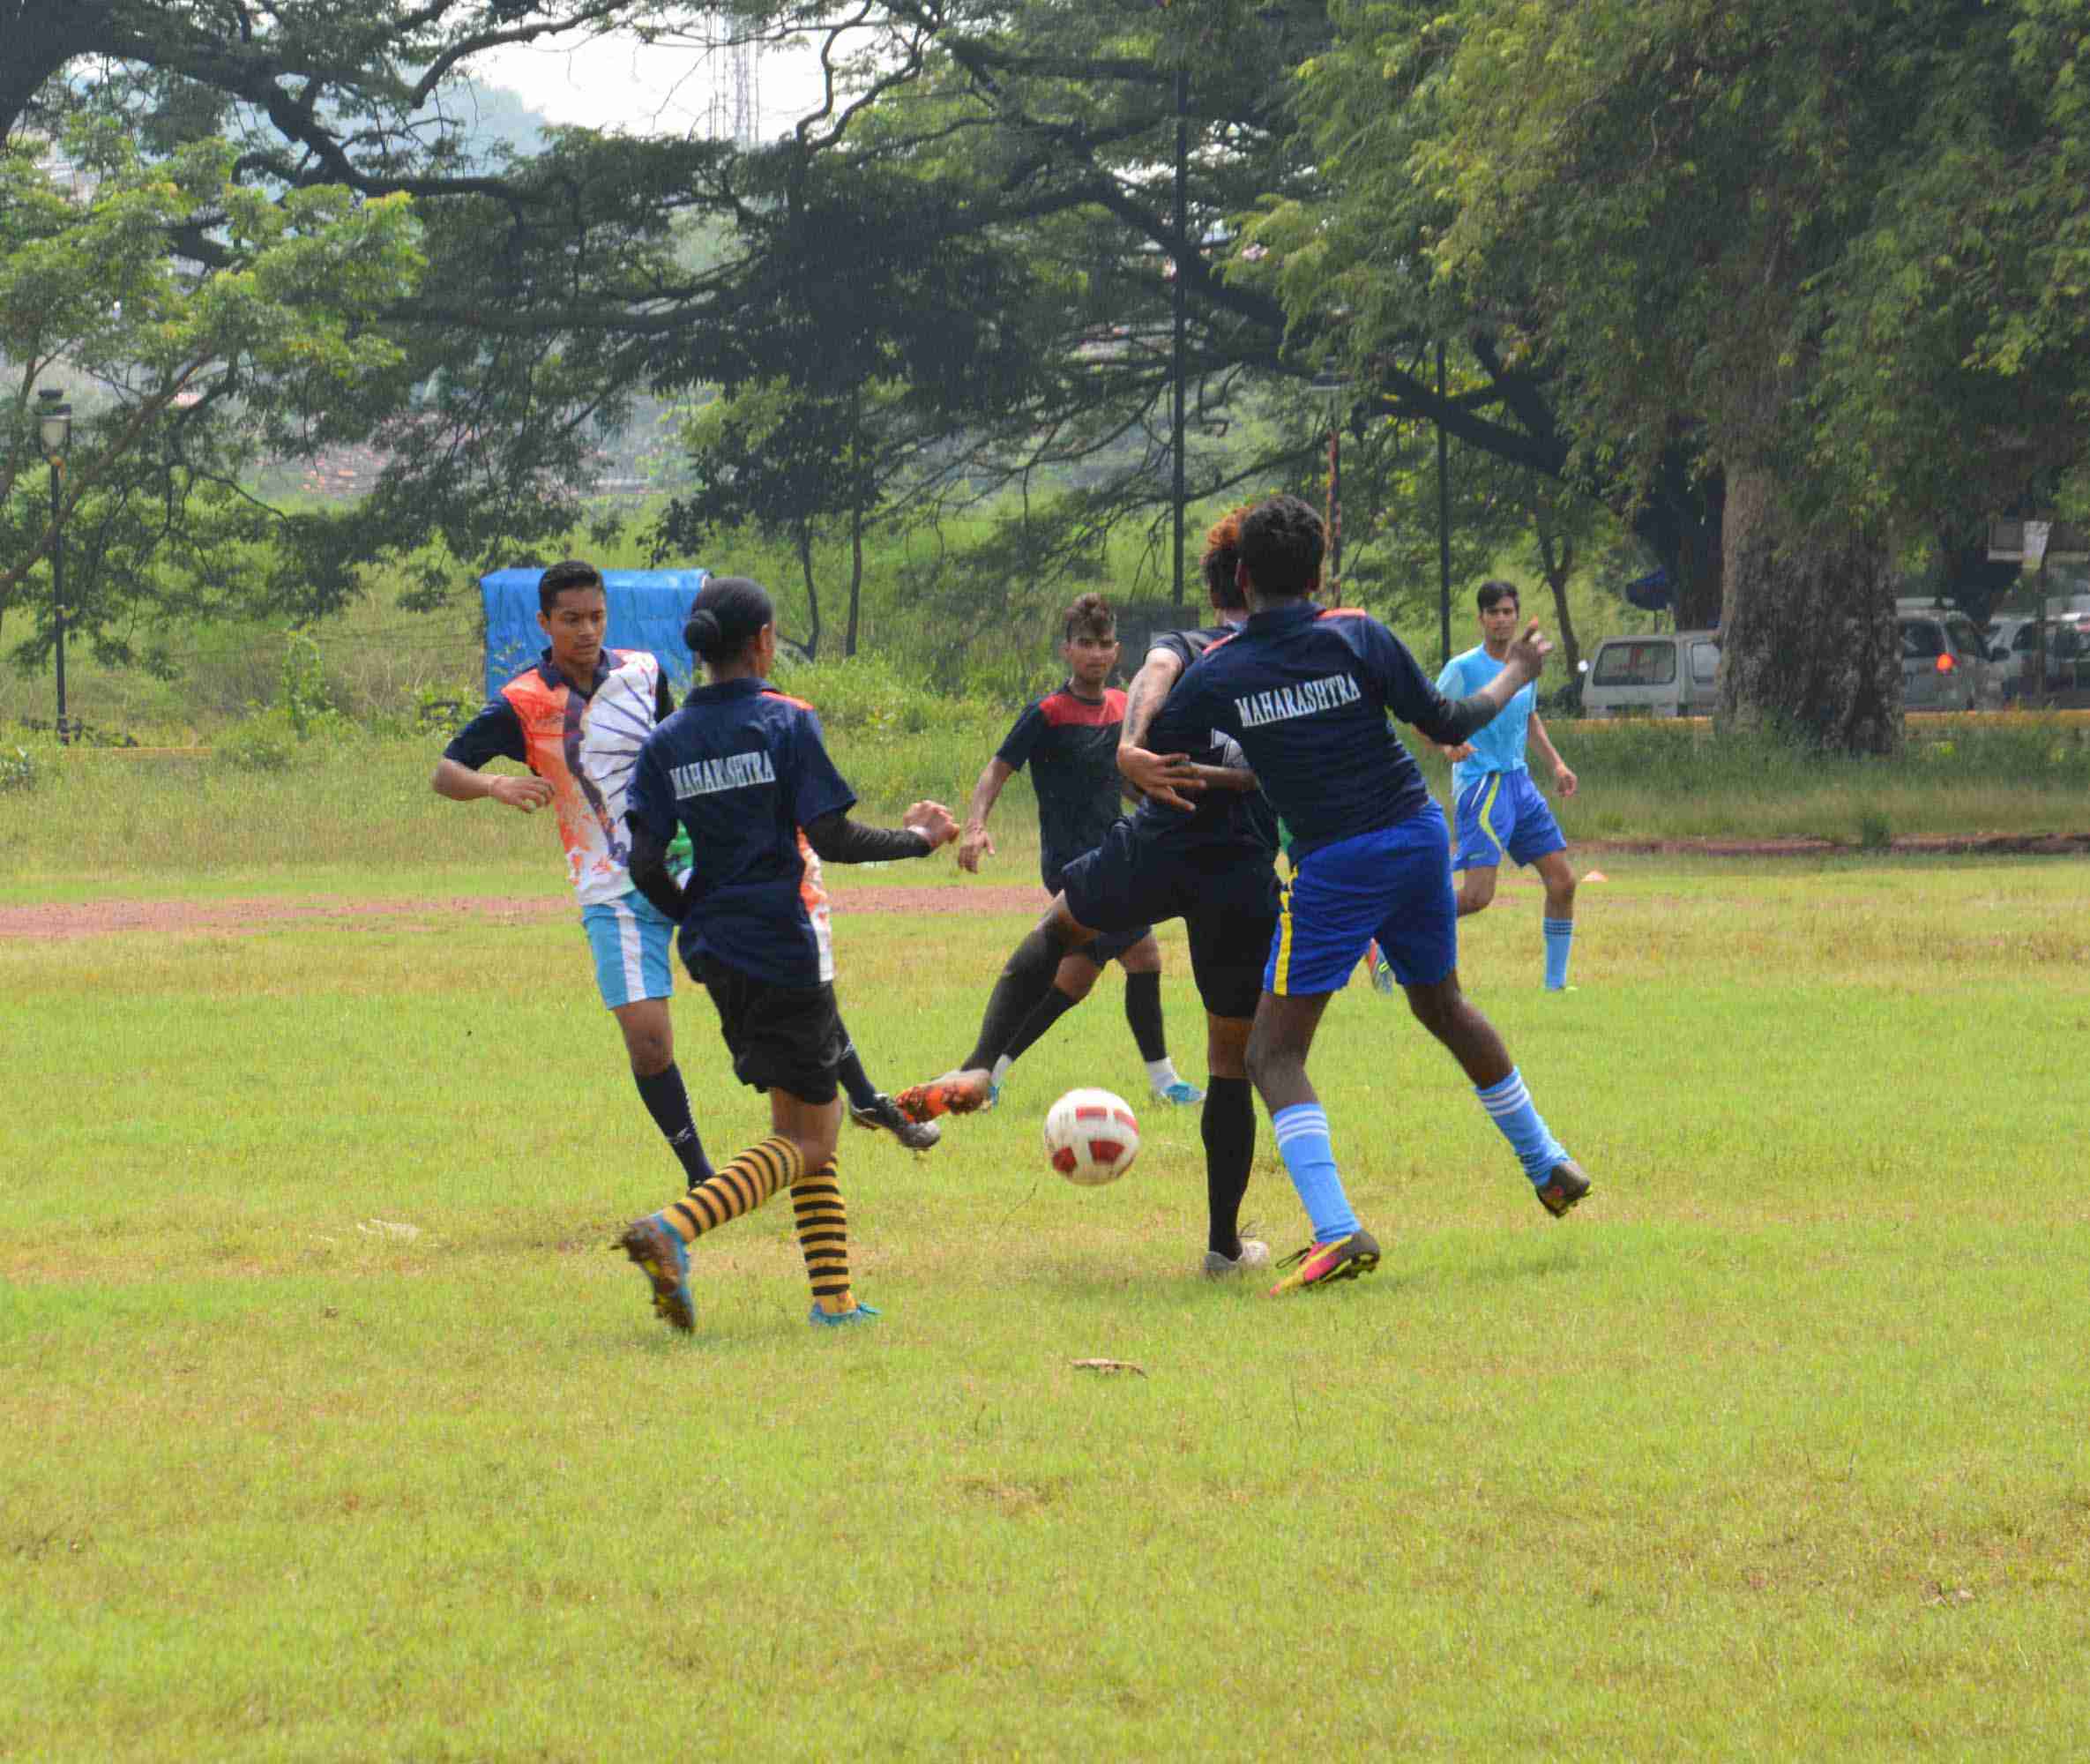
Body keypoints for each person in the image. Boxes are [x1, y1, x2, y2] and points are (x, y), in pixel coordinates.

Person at [1142, 496, 1593, 1295]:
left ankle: (1337, 1229)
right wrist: (1518, 672)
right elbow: (1449, 718)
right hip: (1418, 836)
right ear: (1318, 574)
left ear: (1240, 577)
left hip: (1335, 864)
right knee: (1444, 1006)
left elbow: (1161, 751)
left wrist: (1139, 751)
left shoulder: (1223, 671)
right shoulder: (1360, 634)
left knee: (1270, 1054)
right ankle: (1548, 1159)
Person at [434, 560, 937, 1192]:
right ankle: (701, 1175)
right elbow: (444, 771)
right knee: (649, 1044)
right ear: (544, 623)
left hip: (693, 862)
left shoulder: (645, 673)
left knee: (789, 977)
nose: (586, 631)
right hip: (610, 886)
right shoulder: (521, 700)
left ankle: (864, 1097)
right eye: (571, 620)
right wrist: (495, 783)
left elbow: (684, 739)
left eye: (595, 617)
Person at [895, 512, 1281, 1277]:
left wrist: (1139, 751)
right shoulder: (1296, 660)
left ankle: (981, 1065)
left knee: (1062, 940)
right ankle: (1222, 1248)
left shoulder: (1186, 644)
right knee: (1231, 1064)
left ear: (1221, 585)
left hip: (1157, 839)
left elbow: (1156, 676)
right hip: (1238, 863)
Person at [616, 575, 958, 1333]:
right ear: (764, 641)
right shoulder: (786, 723)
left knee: (801, 1116)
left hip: (717, 950)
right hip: (781, 943)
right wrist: (922, 841)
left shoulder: (665, 742)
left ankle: (833, 1300)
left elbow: (643, 864)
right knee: (809, 1137)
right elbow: (833, 836)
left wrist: (693, 914)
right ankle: (673, 1227)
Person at [956, 592, 1202, 1108]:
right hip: (1071, 861)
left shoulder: (1123, 709)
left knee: (1076, 978)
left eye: (1106, 644)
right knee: (1144, 954)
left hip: (1116, 851)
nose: (1096, 653)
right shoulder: (1047, 712)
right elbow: (996, 770)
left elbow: (1129, 780)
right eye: (1086, 644)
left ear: (1117, 652)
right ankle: (1164, 1083)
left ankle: (990, 1073)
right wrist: (975, 824)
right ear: (1067, 650)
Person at [1410, 579, 1580, 991]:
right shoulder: (1463, 668)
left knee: (1563, 883)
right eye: (1494, 613)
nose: (1502, 620)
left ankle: (1555, 986)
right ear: (1481, 618)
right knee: (1476, 897)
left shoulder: (1526, 662)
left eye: (1508, 612)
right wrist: (1448, 746)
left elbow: (1529, 718)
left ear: (1516, 616)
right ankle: (1399, 928)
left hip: (1520, 784)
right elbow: (1422, 721)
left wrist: (1556, 764)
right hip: (1481, 787)